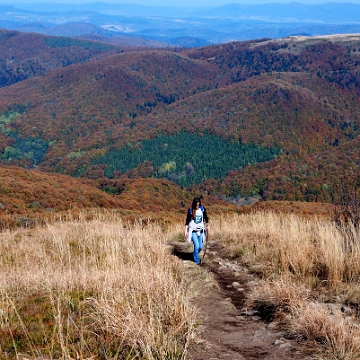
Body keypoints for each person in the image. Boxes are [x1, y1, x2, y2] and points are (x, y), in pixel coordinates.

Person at [184, 197, 209, 265]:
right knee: (197, 245)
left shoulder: (202, 209)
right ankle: (197, 261)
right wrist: (186, 230)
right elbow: (187, 221)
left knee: (200, 246)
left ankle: (194, 254)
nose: (197, 206)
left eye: (198, 205)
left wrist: (207, 224)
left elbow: (206, 217)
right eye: (196, 205)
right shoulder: (191, 210)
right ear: (194, 204)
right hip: (193, 231)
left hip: (200, 230)